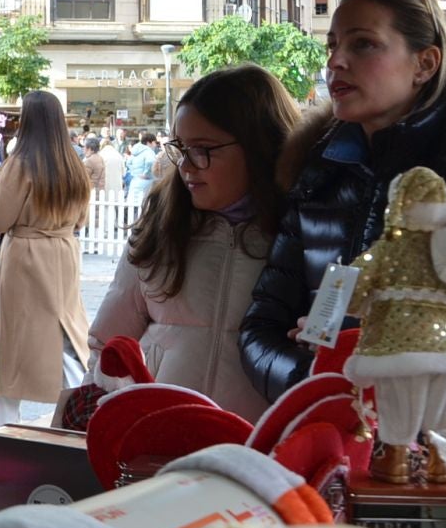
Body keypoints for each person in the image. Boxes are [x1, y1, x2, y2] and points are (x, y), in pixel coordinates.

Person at [240, 0, 446, 406]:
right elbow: (261, 327)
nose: (336, 61)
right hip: (329, 440)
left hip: (441, 456)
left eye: (363, 44)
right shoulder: (317, 174)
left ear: (424, 64)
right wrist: (316, 377)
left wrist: (380, 375)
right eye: (332, 45)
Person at [88, 65, 299, 419]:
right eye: (180, 148)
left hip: (261, 456)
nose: (186, 165)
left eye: (203, 149)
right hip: (156, 446)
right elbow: (106, 345)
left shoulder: (301, 235)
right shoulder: (161, 225)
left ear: (259, 146)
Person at [0, 89, 92, 428]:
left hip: (26, 257)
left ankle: (5, 427)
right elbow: (82, 220)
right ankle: (74, 418)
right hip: (63, 252)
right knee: (66, 337)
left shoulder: (19, 164)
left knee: (16, 344)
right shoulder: (74, 163)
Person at [126, 131, 158, 201]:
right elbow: (150, 161)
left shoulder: (135, 151)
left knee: (133, 207)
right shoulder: (149, 151)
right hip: (145, 183)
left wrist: (133, 172)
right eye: (155, 142)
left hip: (135, 181)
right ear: (149, 143)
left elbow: (128, 162)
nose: (155, 145)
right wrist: (145, 173)